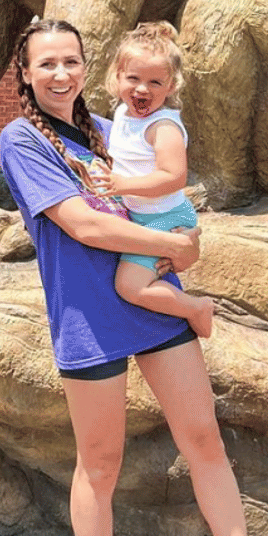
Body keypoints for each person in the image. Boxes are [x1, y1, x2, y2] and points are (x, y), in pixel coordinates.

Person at [0, 18, 268, 536]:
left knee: (205, 443)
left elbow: (162, 185)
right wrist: (174, 246)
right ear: (26, 73)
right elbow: (83, 226)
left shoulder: (109, 128)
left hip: (154, 307)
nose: (61, 74)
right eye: (47, 64)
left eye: (71, 60)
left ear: (86, 65)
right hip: (88, 318)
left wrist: (176, 245)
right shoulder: (22, 139)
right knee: (100, 466)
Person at [93, 22, 214, 339]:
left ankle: (196, 307)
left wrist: (122, 186)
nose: (142, 89)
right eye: (133, 78)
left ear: (171, 86)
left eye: (155, 82)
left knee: (129, 286)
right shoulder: (122, 114)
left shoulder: (163, 127)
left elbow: (174, 177)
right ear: (117, 77)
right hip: (143, 216)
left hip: (165, 218)